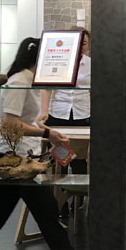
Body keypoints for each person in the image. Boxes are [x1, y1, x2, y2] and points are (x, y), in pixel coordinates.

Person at [0, 37, 83, 250]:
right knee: (46, 213)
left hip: (22, 158)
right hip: (16, 159)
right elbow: (10, 124)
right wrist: (47, 134)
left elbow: (24, 120)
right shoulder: (20, 80)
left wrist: (47, 133)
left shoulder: (29, 80)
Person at [37, 28, 91, 219]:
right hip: (58, 113)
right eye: (77, 42)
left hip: (83, 115)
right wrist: (44, 111)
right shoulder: (57, 60)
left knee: (79, 159)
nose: (80, 46)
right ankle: (60, 202)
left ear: (88, 45)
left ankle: (78, 198)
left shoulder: (91, 65)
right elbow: (46, 87)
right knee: (61, 159)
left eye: (84, 43)